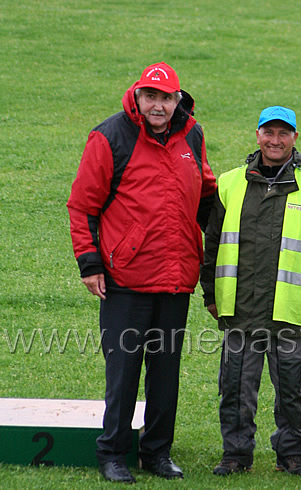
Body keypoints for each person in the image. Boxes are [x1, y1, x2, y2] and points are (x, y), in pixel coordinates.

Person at [67, 62, 217, 483]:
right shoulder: (110, 136)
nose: (158, 105)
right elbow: (82, 206)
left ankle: (157, 453)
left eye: (166, 98)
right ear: (137, 96)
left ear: (177, 100)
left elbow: (205, 192)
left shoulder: (193, 135)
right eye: (150, 96)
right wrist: (90, 263)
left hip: (176, 277)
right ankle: (113, 454)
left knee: (166, 375)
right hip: (125, 280)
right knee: (124, 373)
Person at [200, 106, 301, 476]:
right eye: (269, 132)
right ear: (257, 135)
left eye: (284, 134)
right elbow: (213, 244)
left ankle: (291, 454)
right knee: (234, 389)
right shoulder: (229, 183)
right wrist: (209, 294)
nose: (276, 140)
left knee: (292, 393)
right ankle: (235, 455)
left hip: (290, 310)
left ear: (295, 138)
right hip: (239, 309)